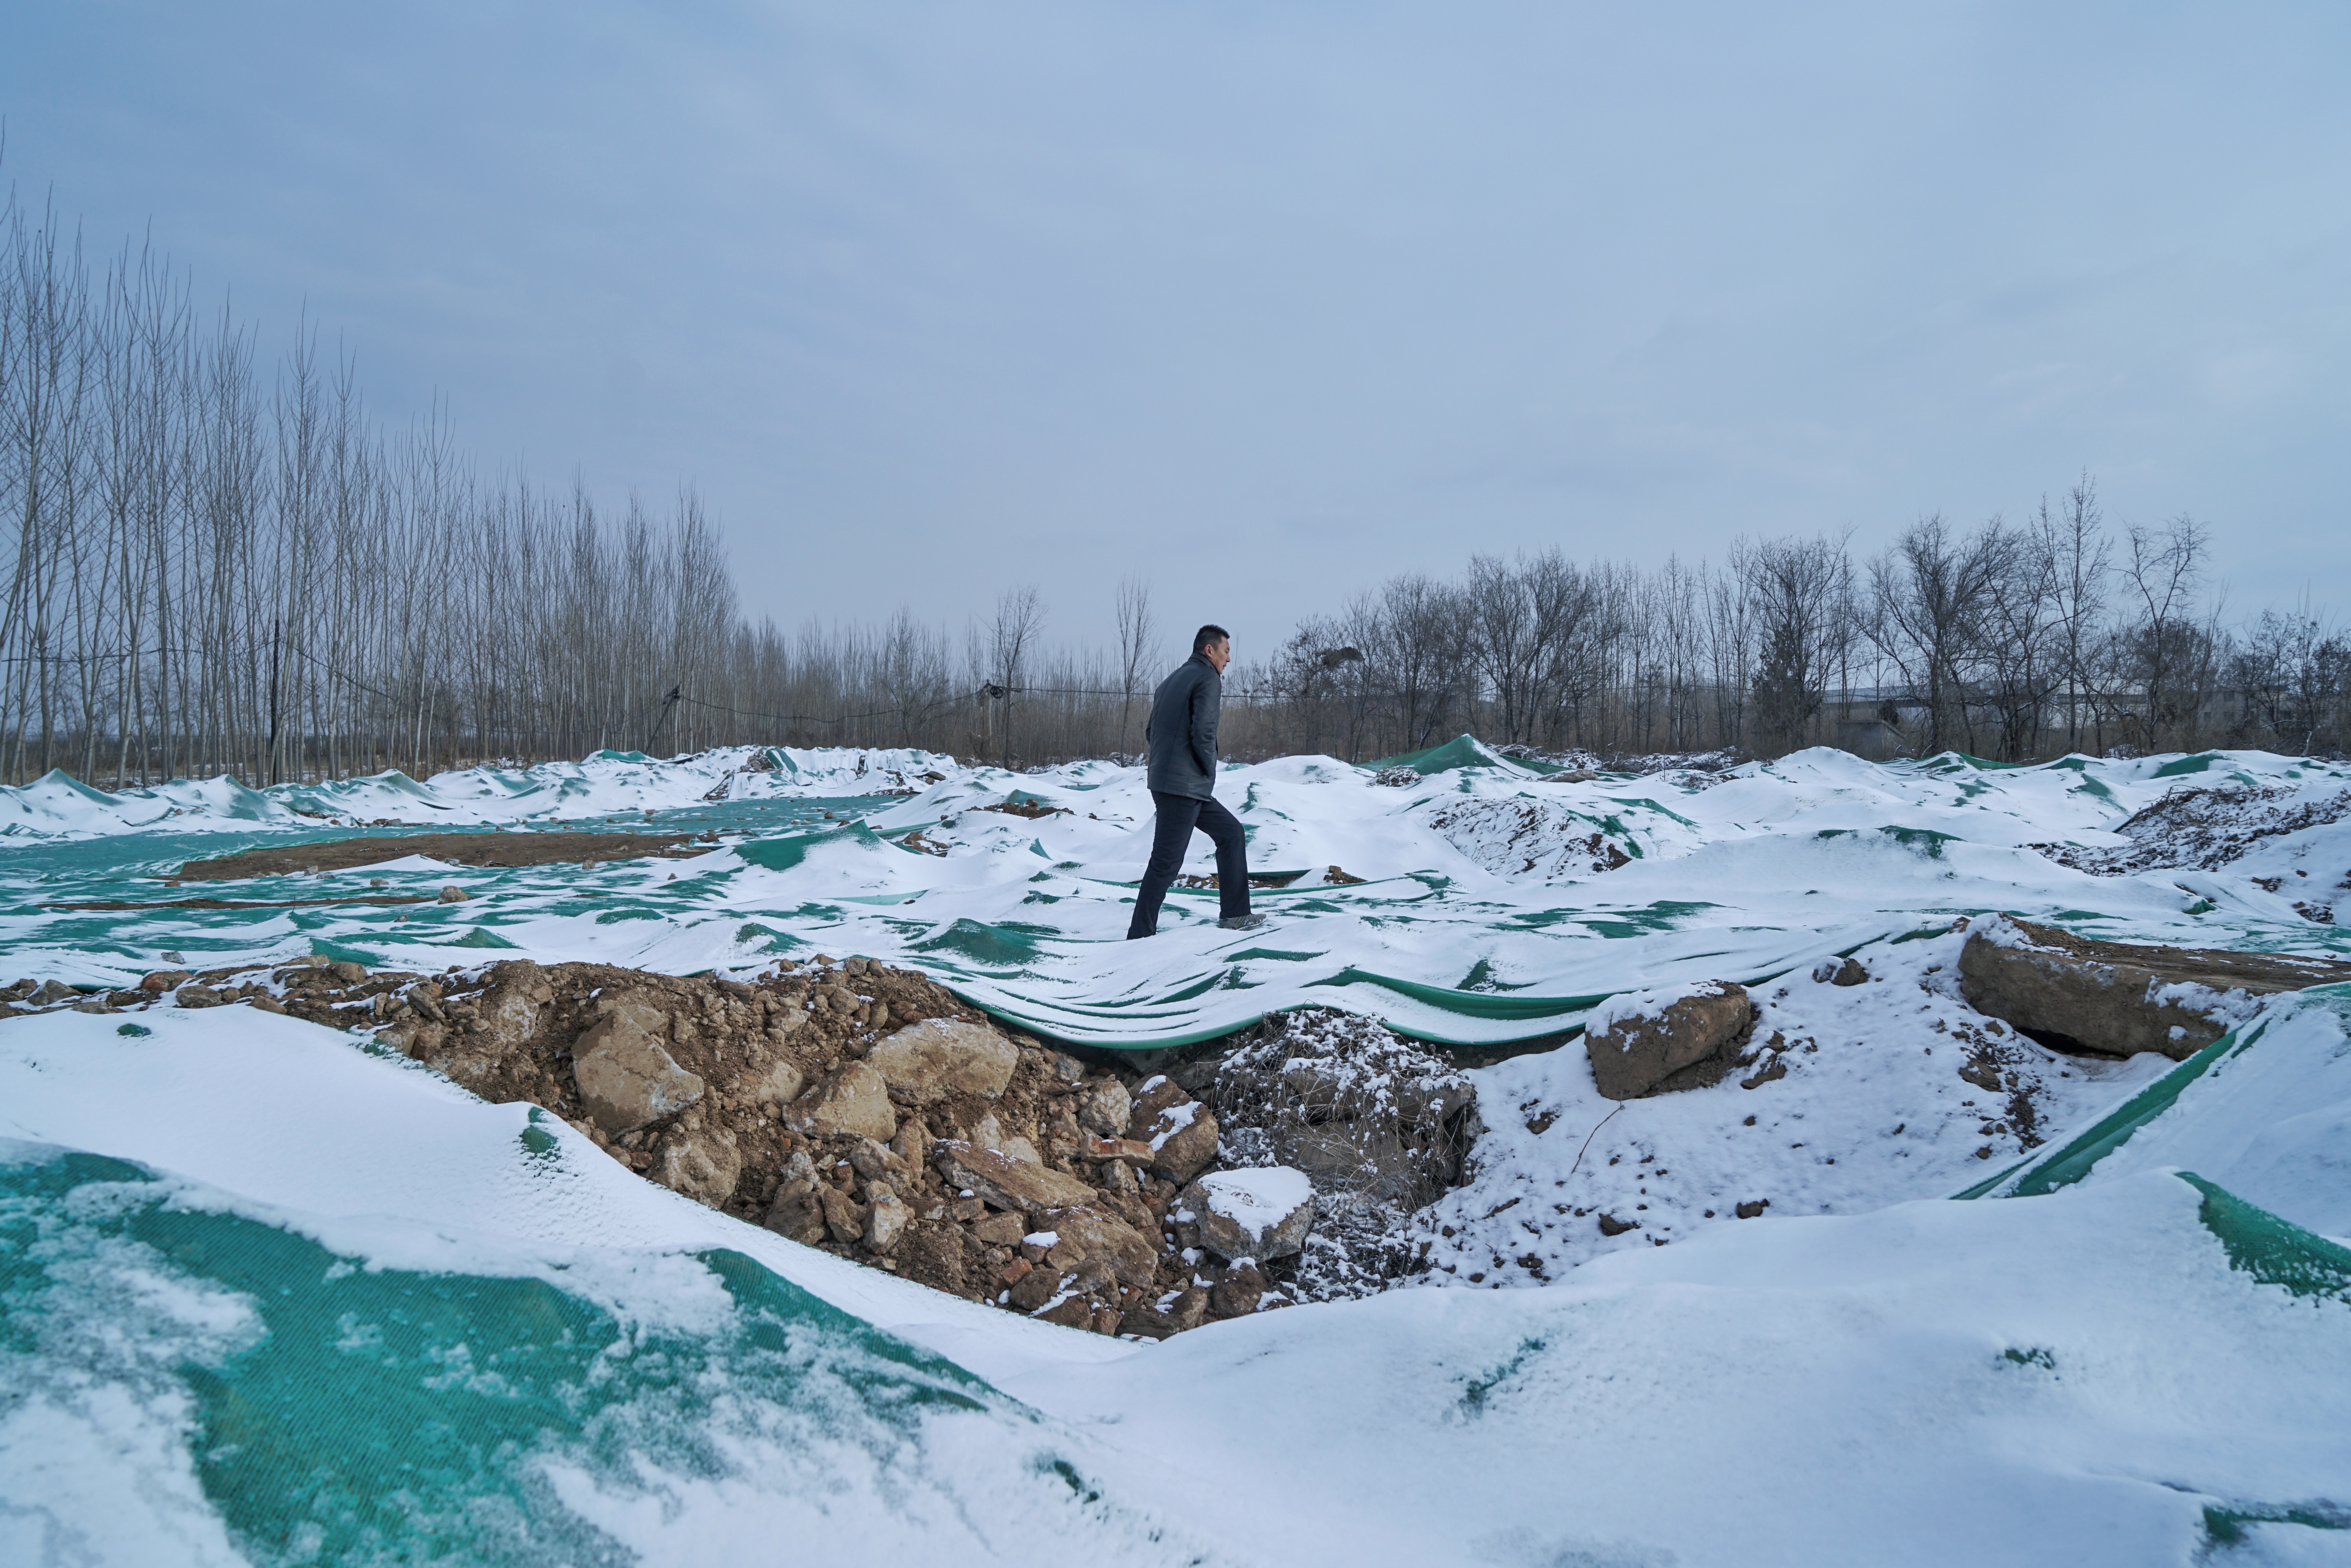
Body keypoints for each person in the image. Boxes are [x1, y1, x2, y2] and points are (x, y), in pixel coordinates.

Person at [1128, 624, 1267, 937]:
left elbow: (1152, 733)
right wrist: (1208, 769)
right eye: (1226, 651)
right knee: (1165, 864)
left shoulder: (1170, 680)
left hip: (1175, 783)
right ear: (1210, 650)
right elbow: (1203, 731)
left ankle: (1235, 915)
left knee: (1231, 833)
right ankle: (1139, 934)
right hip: (1185, 787)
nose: (1229, 658)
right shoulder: (1208, 678)